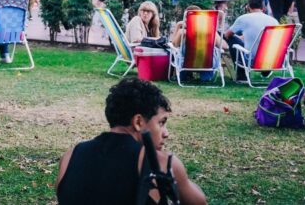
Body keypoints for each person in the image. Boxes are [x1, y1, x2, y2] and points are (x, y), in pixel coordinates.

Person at [57, 78, 207, 205]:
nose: (166, 133)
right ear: (138, 122)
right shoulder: (160, 162)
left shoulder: (70, 156)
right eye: (161, 123)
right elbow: (199, 202)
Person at [223, 0, 276, 80]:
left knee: (231, 38)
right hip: (272, 60)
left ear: (248, 7)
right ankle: (266, 70)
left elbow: (227, 35)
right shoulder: (273, 21)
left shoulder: (244, 18)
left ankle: (242, 74)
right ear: (263, 8)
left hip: (251, 60)